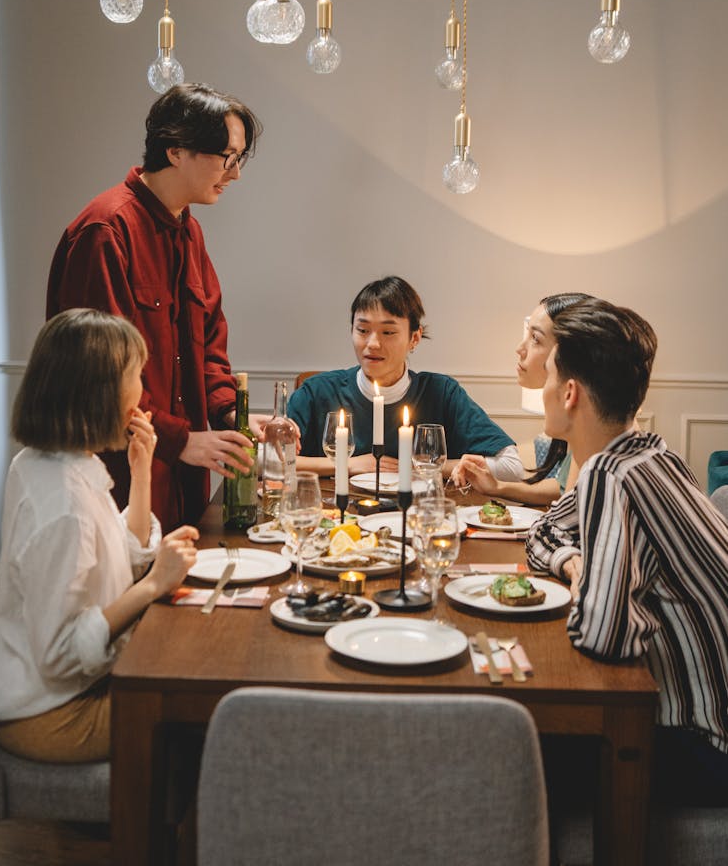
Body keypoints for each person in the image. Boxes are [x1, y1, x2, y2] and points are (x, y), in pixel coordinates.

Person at [525, 298, 728, 802]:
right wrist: (574, 562)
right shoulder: (651, 453)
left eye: (549, 374)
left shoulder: (607, 477)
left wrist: (592, 585)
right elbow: (543, 535)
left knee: (513, 751)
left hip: (704, 743)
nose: (544, 388)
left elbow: (605, 637)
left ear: (570, 393)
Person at [0, 309, 198, 763]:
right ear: (102, 394)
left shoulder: (50, 461)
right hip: (52, 714)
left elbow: (116, 551)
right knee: (198, 712)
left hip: (44, 694)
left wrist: (142, 473)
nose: (143, 390)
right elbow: (61, 655)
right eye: (136, 375)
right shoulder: (63, 505)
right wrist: (155, 584)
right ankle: (154, 830)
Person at [47, 83, 263, 533]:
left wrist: (229, 412)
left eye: (239, 159)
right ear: (176, 151)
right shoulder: (106, 231)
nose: (236, 174)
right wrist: (179, 439)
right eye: (228, 157)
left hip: (185, 473)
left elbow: (208, 342)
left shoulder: (190, 229)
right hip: (120, 475)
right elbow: (99, 374)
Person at [287, 276, 523, 479]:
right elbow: (271, 461)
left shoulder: (441, 393)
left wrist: (417, 468)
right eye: (362, 330)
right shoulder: (317, 392)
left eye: (388, 332)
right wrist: (346, 464)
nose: (372, 343)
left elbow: (511, 466)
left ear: (415, 338)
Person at [450, 292, 591, 506]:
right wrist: (497, 487)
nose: (519, 348)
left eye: (535, 338)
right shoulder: (585, 431)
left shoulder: (596, 442)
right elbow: (561, 489)